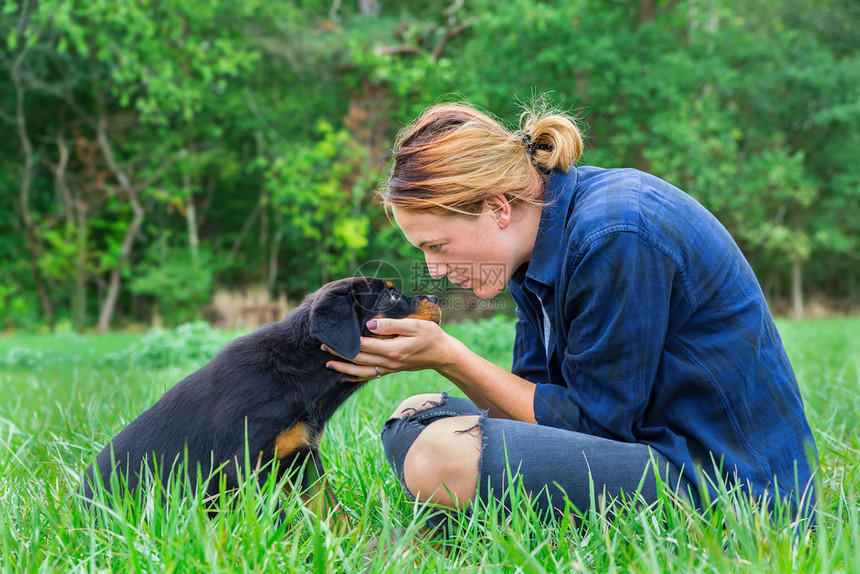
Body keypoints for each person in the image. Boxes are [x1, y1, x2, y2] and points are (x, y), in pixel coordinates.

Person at [324, 100, 818, 523]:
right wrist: (441, 362)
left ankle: (453, 525)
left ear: (497, 207)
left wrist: (449, 356)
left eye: (438, 245)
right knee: (414, 415)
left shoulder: (615, 236)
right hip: (648, 451)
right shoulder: (530, 249)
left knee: (438, 454)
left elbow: (598, 428)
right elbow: (534, 407)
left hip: (732, 489)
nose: (432, 271)